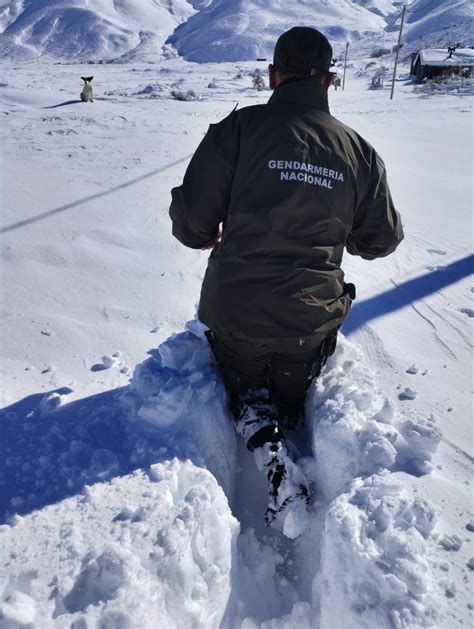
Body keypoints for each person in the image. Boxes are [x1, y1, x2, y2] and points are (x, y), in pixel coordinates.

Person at [169, 26, 403, 528]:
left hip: (236, 322)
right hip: (308, 331)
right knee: (289, 392)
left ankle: (264, 438)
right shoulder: (357, 153)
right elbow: (381, 239)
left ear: (273, 76)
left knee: (246, 385)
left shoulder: (235, 131)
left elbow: (192, 226)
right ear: (330, 80)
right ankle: (284, 423)